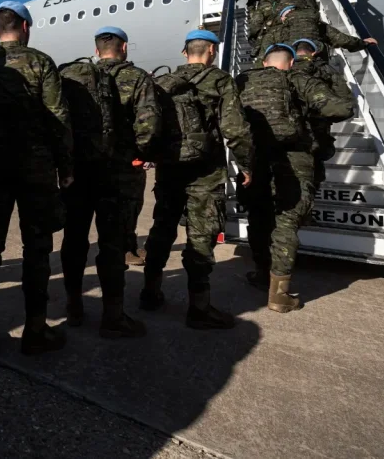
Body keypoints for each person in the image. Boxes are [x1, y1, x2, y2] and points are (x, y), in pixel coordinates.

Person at [0, 1, 73, 360]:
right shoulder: (40, 63)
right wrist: (66, 167)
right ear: (26, 27)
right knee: (37, 248)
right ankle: (34, 329)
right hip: (36, 169)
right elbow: (57, 116)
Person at [141, 30, 254, 329]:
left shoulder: (164, 82)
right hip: (205, 171)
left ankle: (150, 293)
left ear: (184, 53)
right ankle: (199, 308)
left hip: (169, 169)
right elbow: (235, 128)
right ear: (212, 51)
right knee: (201, 236)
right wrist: (246, 165)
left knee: (162, 229)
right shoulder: (220, 81)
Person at [236, 44, 354, 311]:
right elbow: (341, 108)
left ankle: (260, 272)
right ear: (290, 64)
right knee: (286, 223)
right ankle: (280, 295)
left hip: (255, 160)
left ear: (264, 63)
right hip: (295, 159)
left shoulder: (243, 80)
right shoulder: (299, 78)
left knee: (258, 216)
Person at [60, 26, 159, 337]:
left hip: (78, 172)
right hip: (117, 174)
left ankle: (74, 305)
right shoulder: (138, 78)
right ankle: (113, 316)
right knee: (112, 243)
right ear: (124, 47)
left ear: (96, 48)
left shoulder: (73, 77)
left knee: (74, 239)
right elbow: (149, 124)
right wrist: (139, 154)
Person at [292, 39, 355, 187]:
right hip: (317, 130)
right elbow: (345, 101)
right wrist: (324, 116)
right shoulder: (326, 70)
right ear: (313, 53)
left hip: (291, 130)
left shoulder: (285, 66)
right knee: (313, 174)